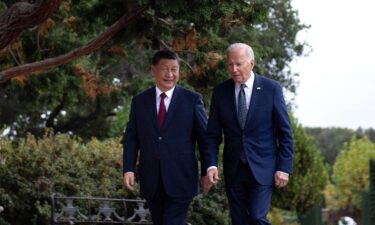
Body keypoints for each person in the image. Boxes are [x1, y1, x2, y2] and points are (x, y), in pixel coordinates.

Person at [206, 43, 294, 225]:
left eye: (238, 64)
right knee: (239, 221)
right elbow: (213, 134)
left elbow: (284, 132)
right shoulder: (221, 92)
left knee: (256, 217)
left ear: (251, 63)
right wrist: (211, 165)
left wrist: (284, 167)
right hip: (234, 169)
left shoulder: (271, 89)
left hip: (263, 167)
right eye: (230, 65)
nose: (234, 69)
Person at [122, 49, 209, 225]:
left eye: (174, 69)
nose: (170, 74)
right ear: (153, 70)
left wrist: (208, 169)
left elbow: (205, 139)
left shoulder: (192, 100)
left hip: (182, 178)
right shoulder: (139, 101)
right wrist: (129, 168)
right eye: (165, 69)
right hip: (151, 179)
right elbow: (132, 137)